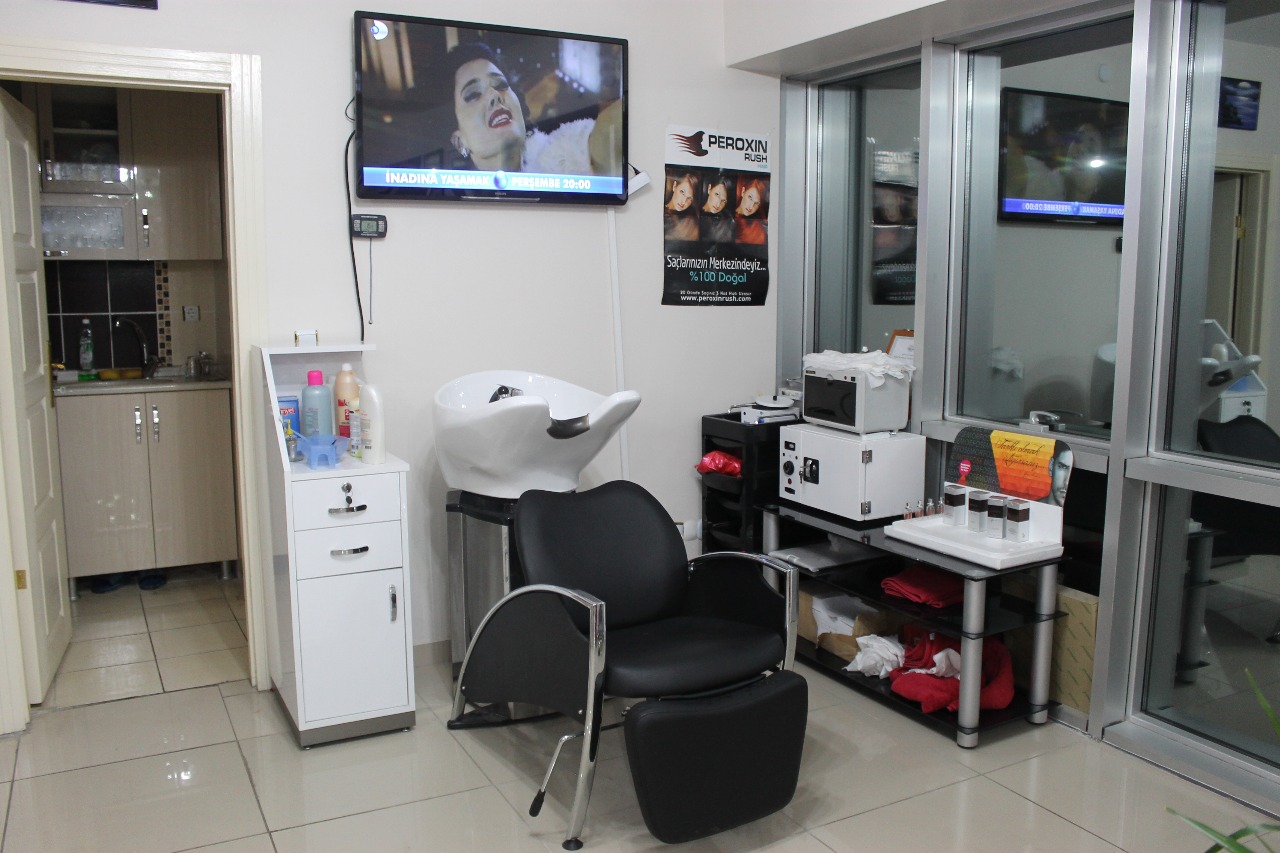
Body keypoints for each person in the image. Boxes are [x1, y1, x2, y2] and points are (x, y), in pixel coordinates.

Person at [446, 42, 623, 177]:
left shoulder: (559, 155)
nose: (494, 95)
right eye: (473, 94)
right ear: (459, 141)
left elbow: (606, 138)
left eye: (501, 84)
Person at [663, 171, 700, 241]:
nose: (683, 201)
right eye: (682, 192)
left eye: (689, 198)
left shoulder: (690, 221)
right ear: (674, 186)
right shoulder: (660, 210)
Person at [700, 172, 735, 243]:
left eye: (723, 200)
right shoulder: (696, 213)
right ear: (709, 189)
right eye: (717, 194)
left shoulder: (727, 221)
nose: (718, 204)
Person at [734, 177, 768, 245]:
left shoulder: (758, 229)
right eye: (750, 197)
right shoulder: (727, 215)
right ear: (743, 192)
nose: (751, 206)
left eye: (756, 203)